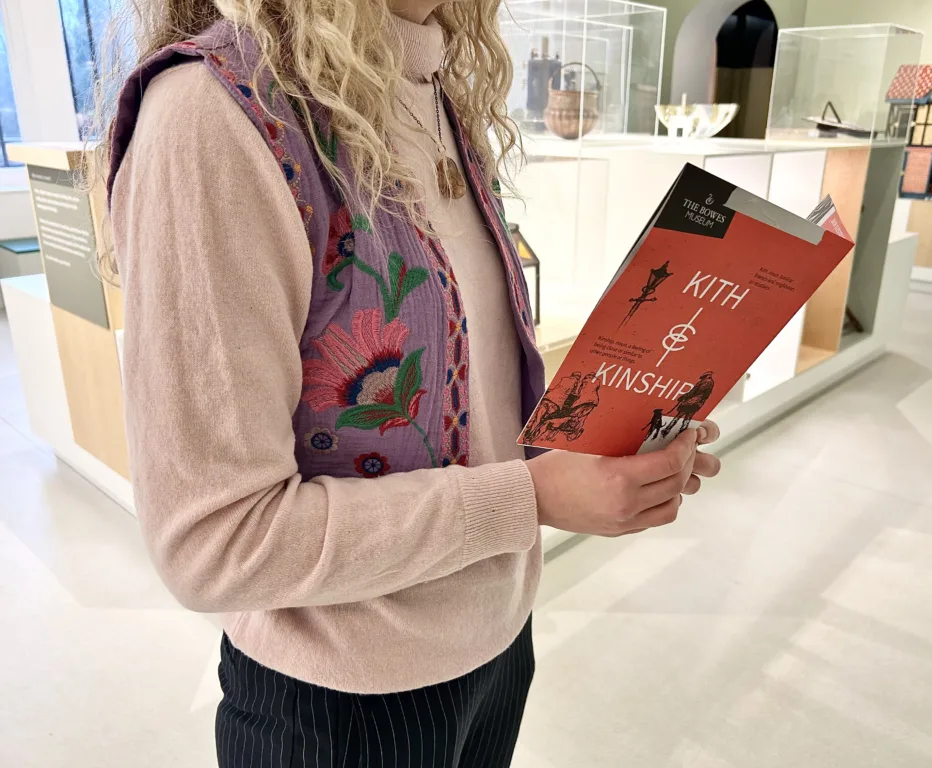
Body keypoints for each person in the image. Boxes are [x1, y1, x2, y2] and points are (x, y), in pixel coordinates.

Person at [103, 0, 722, 765]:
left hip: (497, 643)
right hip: (339, 705)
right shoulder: (214, 116)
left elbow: (469, 395)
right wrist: (533, 498)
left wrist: (609, 433)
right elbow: (215, 541)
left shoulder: (433, 86)